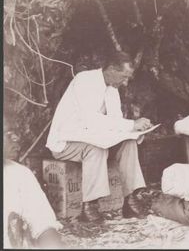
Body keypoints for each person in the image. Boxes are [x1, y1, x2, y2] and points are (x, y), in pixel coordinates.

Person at [46, 51, 153, 222]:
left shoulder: (112, 89)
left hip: (93, 139)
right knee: (95, 149)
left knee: (129, 143)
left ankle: (130, 200)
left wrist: (136, 131)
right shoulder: (84, 80)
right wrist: (131, 124)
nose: (125, 83)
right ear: (111, 69)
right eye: (124, 77)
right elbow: (90, 120)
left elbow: (115, 122)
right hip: (66, 142)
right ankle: (90, 205)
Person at [3, 116, 64, 248]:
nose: (15, 138)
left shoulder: (20, 174)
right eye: (6, 133)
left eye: (14, 133)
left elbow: (44, 227)